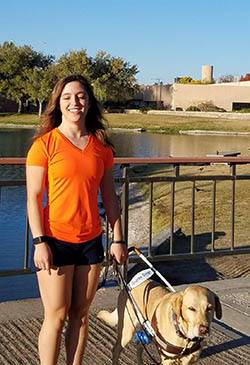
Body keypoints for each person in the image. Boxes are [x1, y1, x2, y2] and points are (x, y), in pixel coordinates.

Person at [26, 74, 128, 365]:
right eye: (67, 97)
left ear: (89, 102)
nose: (75, 102)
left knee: (80, 316)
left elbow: (109, 197)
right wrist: (39, 242)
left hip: (91, 243)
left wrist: (118, 239)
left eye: (81, 96)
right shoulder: (44, 145)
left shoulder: (101, 148)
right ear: (58, 103)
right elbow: (33, 198)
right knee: (56, 317)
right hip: (54, 240)